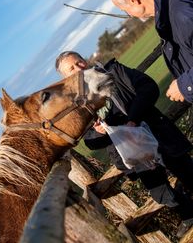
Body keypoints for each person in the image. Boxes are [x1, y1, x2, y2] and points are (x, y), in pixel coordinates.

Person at [55, 51, 193, 238]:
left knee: (187, 170)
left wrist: (132, 119)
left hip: (156, 133)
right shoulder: (79, 106)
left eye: (79, 62)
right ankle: (189, 215)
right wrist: (98, 131)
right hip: (134, 155)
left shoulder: (113, 70)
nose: (79, 68)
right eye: (71, 68)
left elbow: (148, 87)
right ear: (66, 78)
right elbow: (91, 142)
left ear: (84, 60)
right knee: (160, 193)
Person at [107, 0, 193, 104]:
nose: (129, 15)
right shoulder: (172, 7)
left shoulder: (181, 12)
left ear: (132, 0)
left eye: (125, 10)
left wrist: (185, 85)